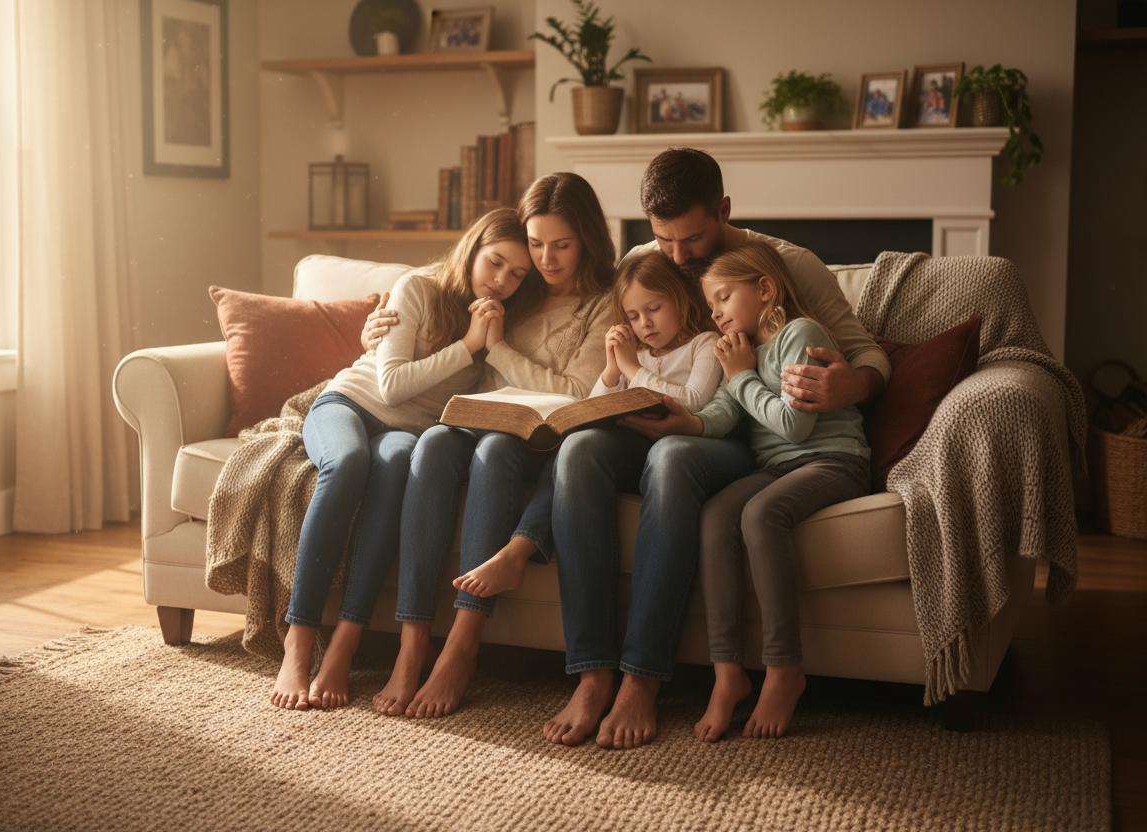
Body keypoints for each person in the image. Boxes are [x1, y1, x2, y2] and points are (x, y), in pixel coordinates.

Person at [543, 147, 891, 749]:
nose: (676, 256)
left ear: (724, 210)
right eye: (662, 240)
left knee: (672, 459)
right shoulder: (643, 263)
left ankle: (642, 680)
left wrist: (853, 383)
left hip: (742, 441)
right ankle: (593, 671)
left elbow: (868, 351)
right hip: (676, 422)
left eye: (692, 238)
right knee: (578, 454)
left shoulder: (785, 264)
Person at [270, 208, 545, 711]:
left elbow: (482, 397)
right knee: (349, 463)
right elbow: (392, 386)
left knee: (398, 467)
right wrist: (468, 344)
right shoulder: (418, 288)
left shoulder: (498, 320)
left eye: (518, 274)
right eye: (496, 263)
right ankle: (300, 638)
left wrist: (495, 345)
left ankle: (347, 642)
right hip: (349, 405)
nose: (503, 281)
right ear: (472, 249)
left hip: (404, 434)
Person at [371, 172, 617, 719]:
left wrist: (501, 349)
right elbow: (440, 297)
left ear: (589, 240)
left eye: (562, 245)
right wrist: (376, 327)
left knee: (494, 453)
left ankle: (462, 644)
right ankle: (411, 648)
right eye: (536, 244)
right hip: (471, 417)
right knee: (432, 444)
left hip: (537, 435)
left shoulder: (604, 303)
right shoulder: (515, 282)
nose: (545, 260)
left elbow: (578, 391)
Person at [457, 248, 723, 600]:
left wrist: (631, 369)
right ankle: (517, 550)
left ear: (680, 298)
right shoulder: (637, 353)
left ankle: (517, 550)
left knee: (581, 448)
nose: (644, 323)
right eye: (633, 315)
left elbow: (693, 400)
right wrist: (613, 369)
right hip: (619, 449)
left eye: (654, 309)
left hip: (665, 450)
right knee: (574, 445)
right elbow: (595, 406)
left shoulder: (704, 344)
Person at [694, 241, 871, 742]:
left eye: (723, 298)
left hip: (835, 462)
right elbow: (723, 416)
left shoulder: (800, 334)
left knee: (759, 515)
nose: (716, 314)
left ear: (764, 288)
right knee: (715, 516)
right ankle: (727, 671)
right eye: (712, 306)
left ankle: (783, 669)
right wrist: (673, 421)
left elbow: (794, 427)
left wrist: (741, 374)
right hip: (776, 468)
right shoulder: (744, 353)